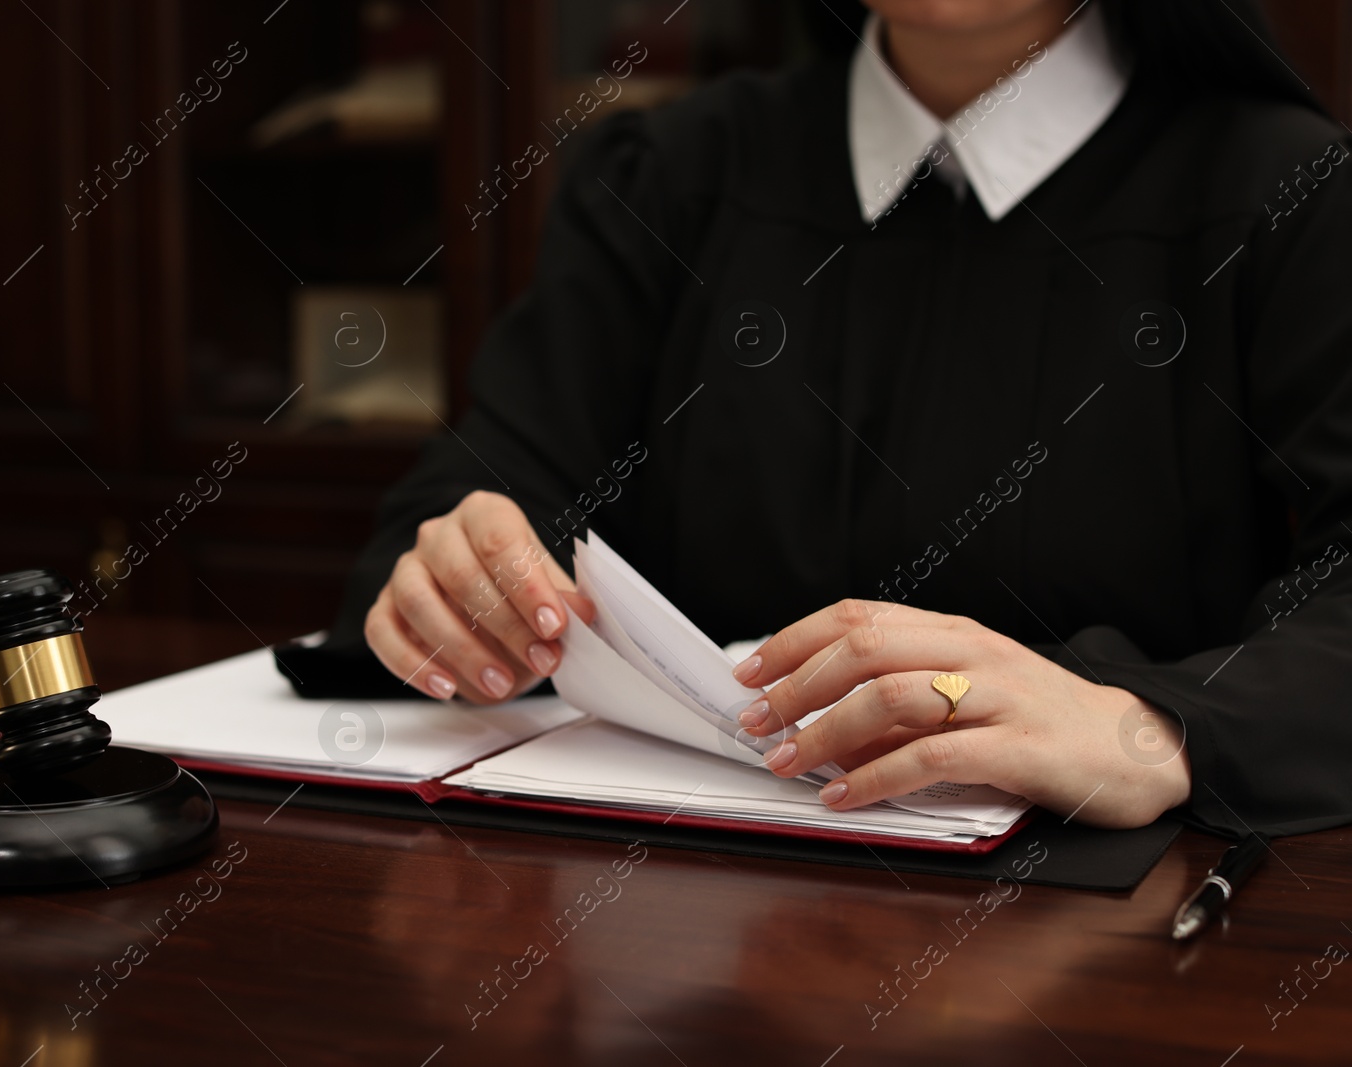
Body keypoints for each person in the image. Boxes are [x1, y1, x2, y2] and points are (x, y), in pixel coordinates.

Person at [323, 0, 1352, 837]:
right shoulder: (669, 176)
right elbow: (470, 497)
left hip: (1107, 941)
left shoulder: (1289, 195)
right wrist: (459, 582)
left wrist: (1152, 725)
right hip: (675, 912)